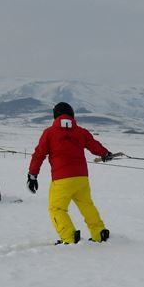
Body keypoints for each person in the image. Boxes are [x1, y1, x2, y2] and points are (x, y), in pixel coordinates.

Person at [28, 102, 115, 244]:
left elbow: (39, 155)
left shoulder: (49, 133)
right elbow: (94, 145)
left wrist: (32, 175)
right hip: (81, 178)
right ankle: (99, 233)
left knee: (56, 208)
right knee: (87, 205)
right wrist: (106, 153)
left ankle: (69, 237)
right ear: (72, 115)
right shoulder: (81, 132)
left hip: (62, 179)